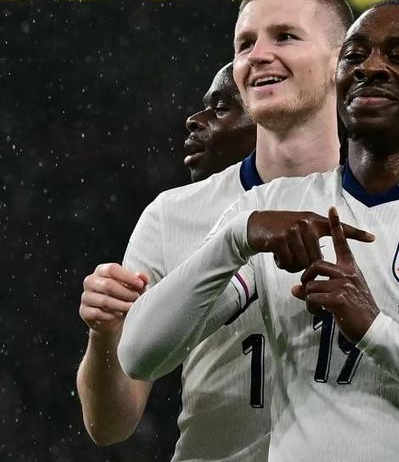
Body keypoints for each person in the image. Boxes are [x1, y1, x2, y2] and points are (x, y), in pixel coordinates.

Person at [118, 0, 399, 461]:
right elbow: (139, 355)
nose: (370, 67)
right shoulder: (272, 207)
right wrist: (234, 239)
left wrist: (374, 329)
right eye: (354, 56)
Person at [76, 63, 266, 460]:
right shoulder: (170, 216)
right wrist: (104, 334)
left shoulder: (358, 200)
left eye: (221, 108)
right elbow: (108, 425)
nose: (194, 120)